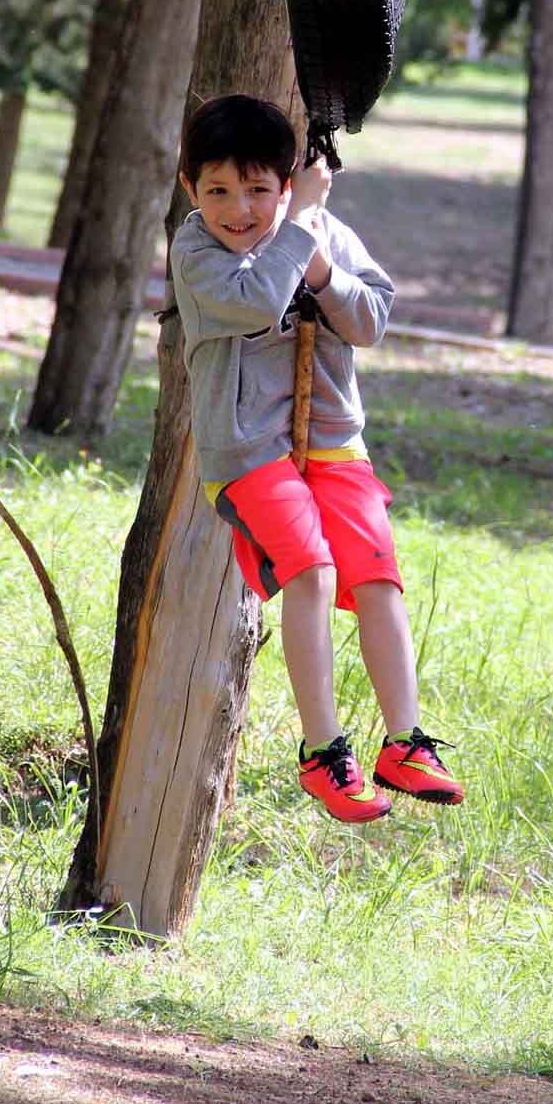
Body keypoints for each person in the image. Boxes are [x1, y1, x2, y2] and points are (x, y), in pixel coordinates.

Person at [171, 93, 464, 823]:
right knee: (311, 567)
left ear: (286, 183)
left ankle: (405, 742)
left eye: (258, 189)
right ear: (189, 188)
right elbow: (259, 298)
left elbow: (373, 319)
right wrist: (298, 225)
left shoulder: (320, 232)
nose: (238, 209)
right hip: (248, 448)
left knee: (376, 573)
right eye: (217, 191)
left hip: (334, 439)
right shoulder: (196, 251)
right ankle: (323, 751)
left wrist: (326, 270)